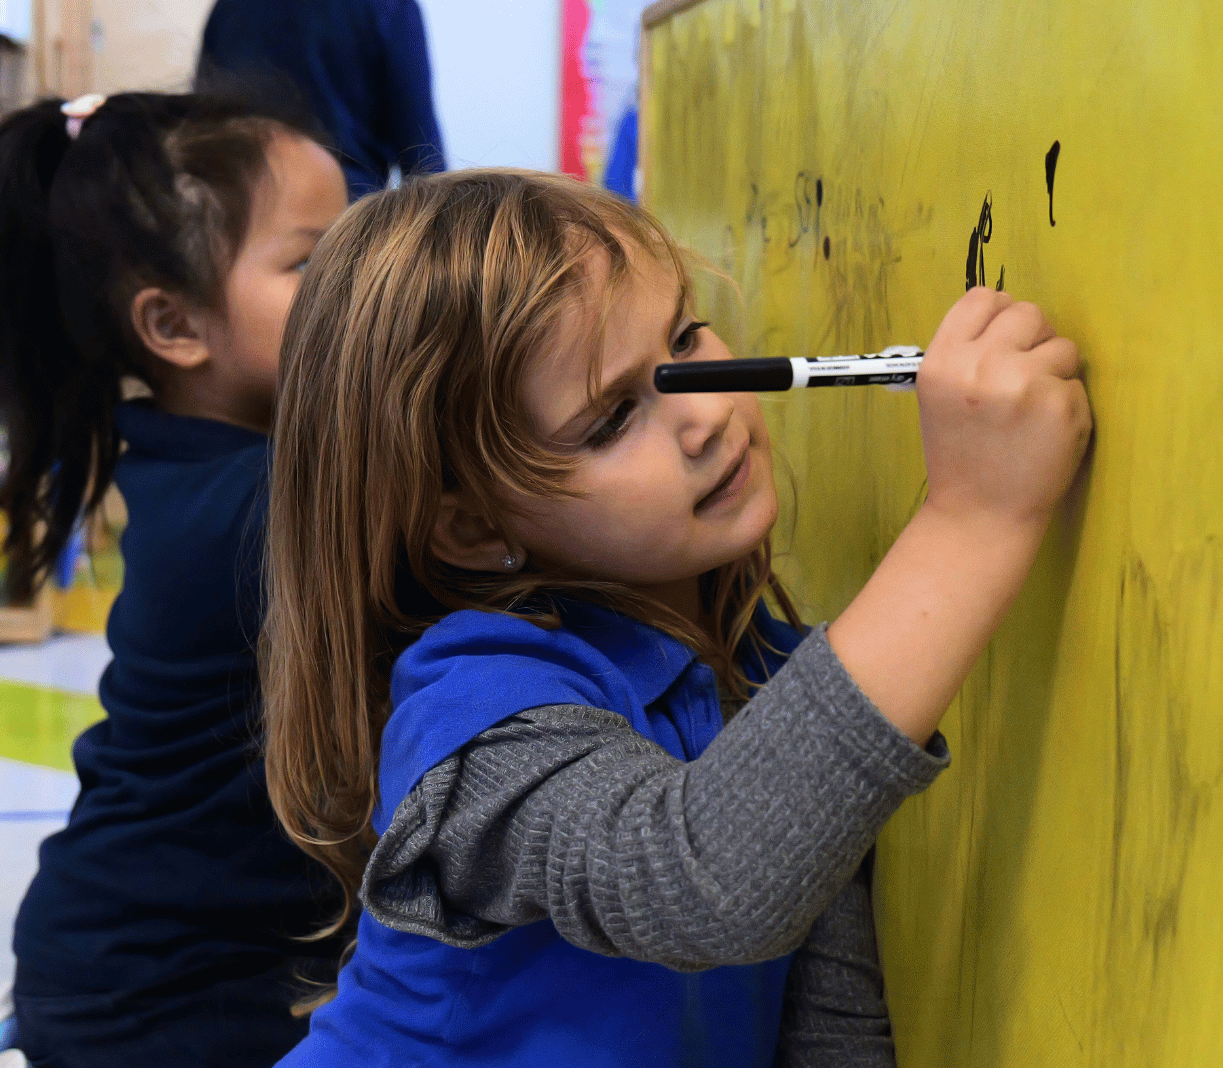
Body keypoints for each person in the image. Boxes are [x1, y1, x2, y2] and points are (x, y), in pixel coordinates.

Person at [261, 170, 1091, 1065]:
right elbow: (705, 882)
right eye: (613, 417)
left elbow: (828, 1029)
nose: (702, 410)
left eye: (686, 336)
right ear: (470, 527)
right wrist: (975, 518)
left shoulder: (771, 677)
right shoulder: (476, 717)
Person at [0, 90, 348, 1067]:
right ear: (175, 327)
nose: (365, 281)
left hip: (171, 954)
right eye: (315, 263)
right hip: (157, 998)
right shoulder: (262, 499)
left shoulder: (217, 461)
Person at [198, 0, 446, 196]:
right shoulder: (389, 10)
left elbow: (202, 136)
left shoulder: (228, 10)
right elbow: (424, 160)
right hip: (345, 224)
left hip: (246, 223)